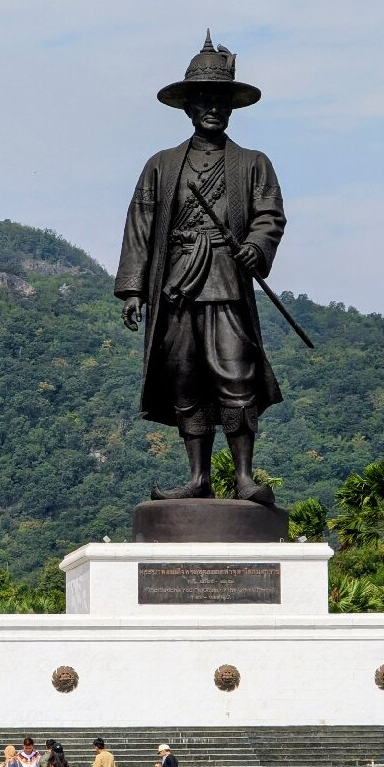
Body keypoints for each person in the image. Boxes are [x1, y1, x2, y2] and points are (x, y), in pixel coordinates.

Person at [115, 30, 285, 505]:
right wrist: (134, 289)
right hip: (176, 286)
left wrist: (255, 245)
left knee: (236, 373)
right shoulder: (162, 164)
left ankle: (245, 478)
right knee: (186, 378)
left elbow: (269, 214)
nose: (212, 108)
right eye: (204, 100)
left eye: (220, 100)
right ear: (189, 107)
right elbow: (141, 222)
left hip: (226, 281)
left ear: (230, 107)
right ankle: (197, 478)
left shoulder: (252, 163)